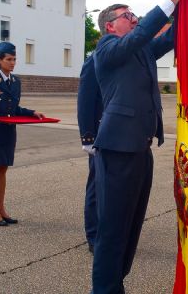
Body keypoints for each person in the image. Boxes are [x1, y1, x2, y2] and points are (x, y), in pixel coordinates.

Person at [91, 0, 188, 293]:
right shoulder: (107, 48)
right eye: (128, 16)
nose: (135, 19)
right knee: (111, 233)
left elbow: (170, 36)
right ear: (111, 25)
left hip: (140, 150)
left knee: (130, 228)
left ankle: (115, 285)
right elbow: (140, 37)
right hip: (117, 152)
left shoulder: (139, 49)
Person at [0, 42, 43, 226]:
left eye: (14, 59)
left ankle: (1, 208)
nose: (13, 62)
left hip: (8, 130)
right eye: (9, 59)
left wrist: (31, 113)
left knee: (3, 169)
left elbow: (14, 108)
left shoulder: (16, 82)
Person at [77, 53, 103, 254]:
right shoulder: (94, 60)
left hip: (118, 135)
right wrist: (87, 137)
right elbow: (85, 101)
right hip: (99, 136)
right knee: (96, 186)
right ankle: (93, 234)